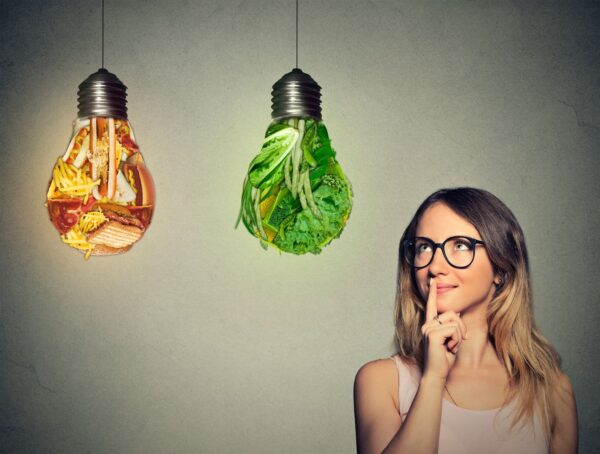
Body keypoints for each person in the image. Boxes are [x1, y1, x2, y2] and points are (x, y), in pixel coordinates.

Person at [354, 187, 578, 454]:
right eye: (424, 247)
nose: (435, 267)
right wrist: (433, 379)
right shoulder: (382, 381)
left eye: (460, 245)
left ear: (501, 268)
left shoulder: (552, 390)